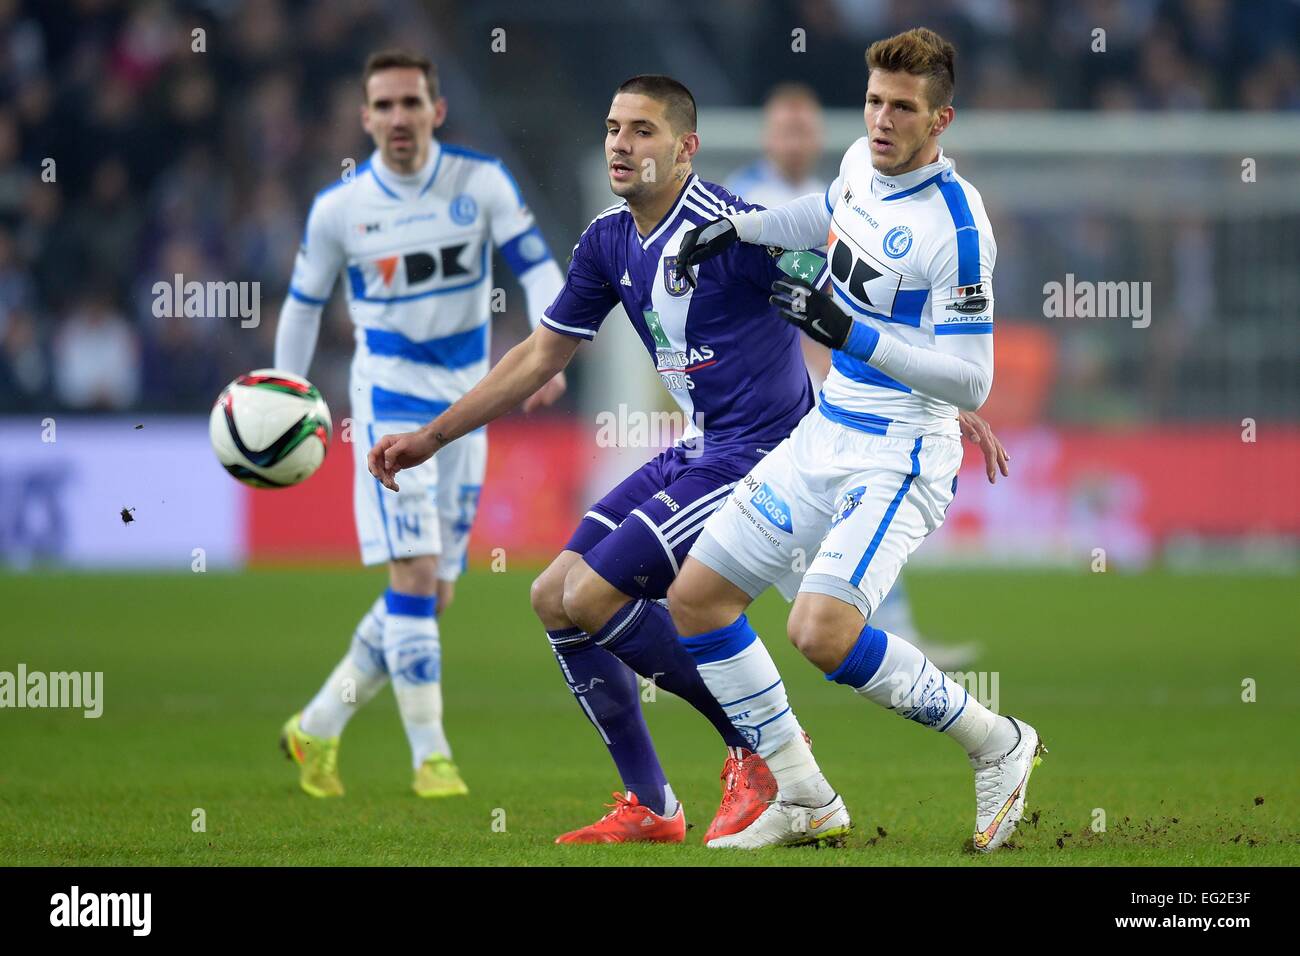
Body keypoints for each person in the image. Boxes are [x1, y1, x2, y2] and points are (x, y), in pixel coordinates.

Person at [369, 74, 849, 846]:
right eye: (613, 128)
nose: (621, 145)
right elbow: (539, 357)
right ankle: (652, 805)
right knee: (554, 595)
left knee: (594, 595)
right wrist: (432, 436)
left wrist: (937, 393)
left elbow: (846, 309)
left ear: (686, 148)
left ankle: (760, 752)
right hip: (702, 446)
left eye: (643, 131)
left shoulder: (740, 228)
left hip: (766, 453)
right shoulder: (607, 240)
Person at [669, 27, 1039, 851]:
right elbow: (826, 213)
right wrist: (741, 231)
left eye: (902, 108)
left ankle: (999, 744)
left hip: (902, 450)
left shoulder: (959, 227)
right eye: (874, 102)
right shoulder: (857, 165)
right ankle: (803, 795)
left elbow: (973, 381)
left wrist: (852, 333)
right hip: (827, 427)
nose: (881, 121)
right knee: (696, 599)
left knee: (819, 631)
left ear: (939, 120)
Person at [273, 50, 566, 800]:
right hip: (389, 405)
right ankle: (431, 757)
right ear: (365, 118)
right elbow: (303, 305)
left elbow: (538, 269)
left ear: (436, 111)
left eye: (412, 103)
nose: (399, 117)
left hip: (468, 409)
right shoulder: (340, 210)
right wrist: (286, 390)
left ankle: (315, 728)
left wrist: (553, 346)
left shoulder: (481, 183)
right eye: (385, 105)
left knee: (431, 595)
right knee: (411, 576)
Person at [727, 83, 988, 670]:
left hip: (841, 384)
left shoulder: (853, 186)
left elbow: (886, 316)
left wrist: (946, 394)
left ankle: (888, 636)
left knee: (852, 519)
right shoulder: (746, 198)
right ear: (767, 135)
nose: (798, 139)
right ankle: (693, 636)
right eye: (786, 128)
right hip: (765, 390)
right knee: (746, 525)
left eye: (806, 128)